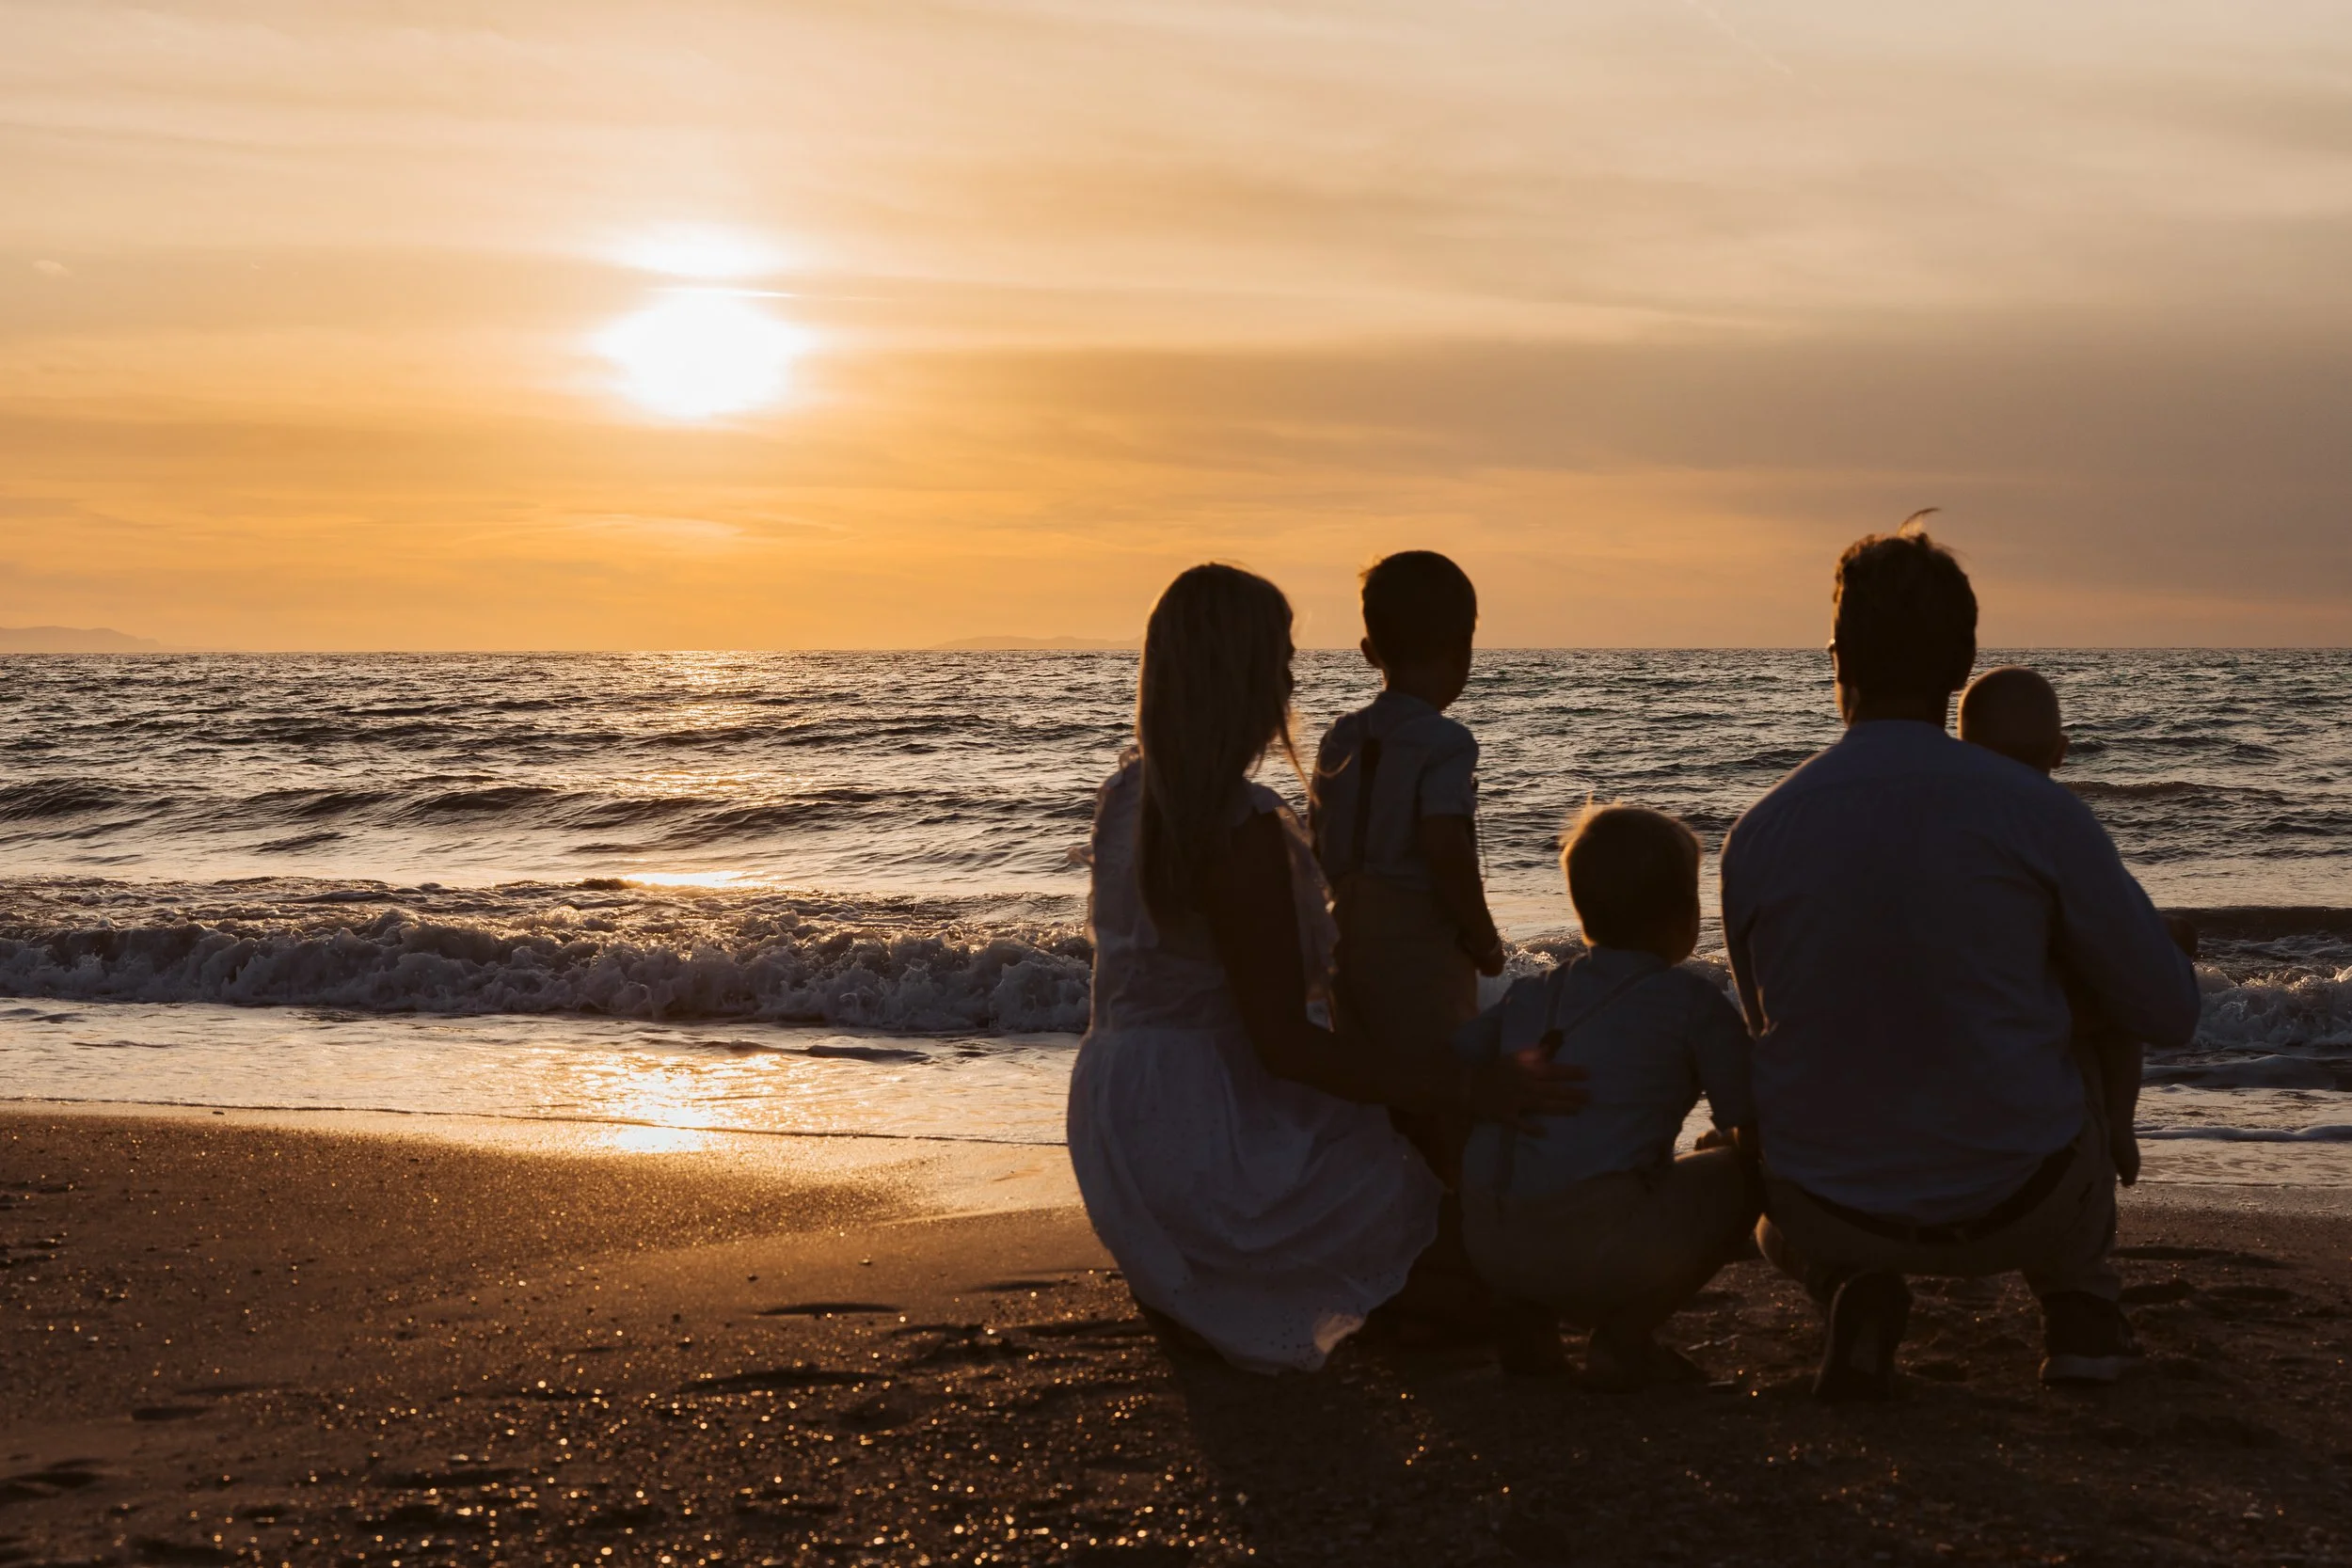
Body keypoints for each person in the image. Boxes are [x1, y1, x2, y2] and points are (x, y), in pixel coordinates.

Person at [1065, 562, 1586, 1374]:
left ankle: (1217, 1286)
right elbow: (1286, 1048)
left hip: (1117, 1122)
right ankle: (1286, 1280)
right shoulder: (1239, 832)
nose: (1289, 679)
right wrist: (1466, 1088)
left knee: (1424, 1244)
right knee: (1514, 1274)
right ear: (1245, 681)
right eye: (1279, 661)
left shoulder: (1127, 798)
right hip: (1211, 1138)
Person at [1720, 528, 2201, 1400]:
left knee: (1757, 1133)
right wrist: (2072, 1000)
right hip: (2022, 1201)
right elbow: (2170, 1011)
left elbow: (1771, 1025)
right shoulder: (2037, 813)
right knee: (2085, 1031)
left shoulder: (1759, 831)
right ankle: (2081, 1311)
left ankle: (1849, 1287)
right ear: (1964, 662)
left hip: (1831, 1209)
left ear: (1838, 659)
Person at [1455, 805, 1758, 1388]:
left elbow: (1453, 1062)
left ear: (1583, 913)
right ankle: (1624, 1340)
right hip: (1592, 1245)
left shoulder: (1529, 992)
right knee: (1743, 1179)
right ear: (1687, 917)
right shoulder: (1694, 1005)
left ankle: (1527, 1321)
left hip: (1488, 1239)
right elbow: (1750, 1122)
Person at [1959, 665, 2202, 1190]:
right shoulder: (2057, 822)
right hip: (2024, 1136)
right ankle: (2118, 1123)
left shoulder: (1932, 824)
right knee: (2121, 981)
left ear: (1962, 749)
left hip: (1941, 1071)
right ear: (2061, 752)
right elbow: (2166, 1011)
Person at [1311, 551, 1507, 1173]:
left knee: (1372, 1084)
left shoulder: (1340, 735)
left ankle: (1378, 1210)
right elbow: (1444, 848)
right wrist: (1481, 935)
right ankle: (1449, 1212)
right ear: (1463, 650)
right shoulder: (1447, 741)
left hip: (1344, 931)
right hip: (1419, 939)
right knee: (1441, 1080)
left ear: (1371, 650)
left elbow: (1318, 840)